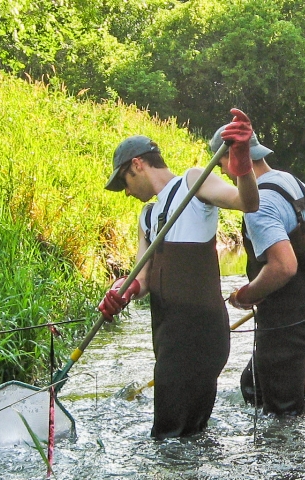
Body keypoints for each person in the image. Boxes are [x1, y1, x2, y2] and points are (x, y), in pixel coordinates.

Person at [96, 109, 260, 439]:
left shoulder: (194, 182)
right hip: (169, 337)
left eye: (124, 181)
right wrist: (122, 291)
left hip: (200, 335)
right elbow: (141, 279)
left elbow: (247, 201)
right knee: (188, 436)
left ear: (138, 164)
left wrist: (241, 163)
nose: (126, 192)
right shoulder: (146, 216)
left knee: (166, 438)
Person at [220, 125, 305, 416]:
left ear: (234, 157)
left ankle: (290, 459)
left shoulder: (258, 205)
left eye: (221, 164)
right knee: (253, 385)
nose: (224, 173)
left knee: (283, 416)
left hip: (287, 323)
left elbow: (284, 266)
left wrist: (248, 294)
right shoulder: (292, 182)